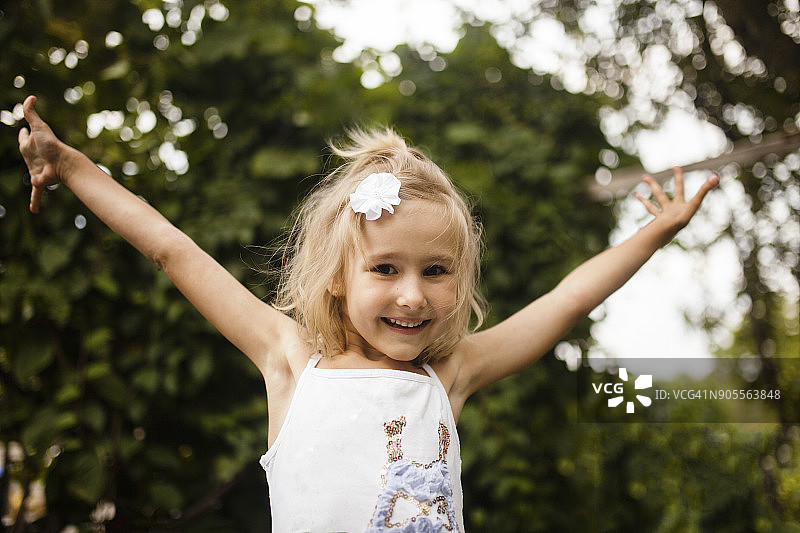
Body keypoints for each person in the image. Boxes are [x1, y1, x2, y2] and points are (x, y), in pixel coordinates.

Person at [18, 94, 718, 532]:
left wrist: (653, 233)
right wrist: (71, 165)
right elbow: (172, 249)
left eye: (436, 271)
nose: (412, 293)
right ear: (335, 279)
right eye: (385, 269)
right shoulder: (292, 359)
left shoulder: (452, 372)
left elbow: (568, 299)